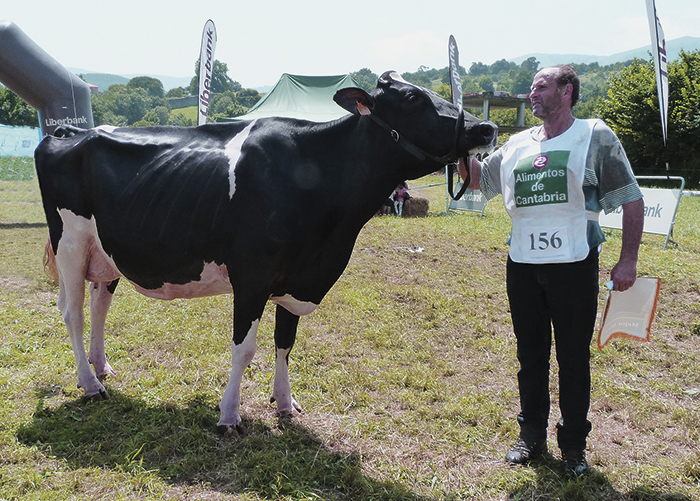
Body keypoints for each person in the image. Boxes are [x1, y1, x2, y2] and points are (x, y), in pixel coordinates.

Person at [462, 65, 644, 478]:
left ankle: (574, 446)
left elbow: (631, 198)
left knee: (573, 359)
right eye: (531, 89)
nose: (533, 94)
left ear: (567, 91)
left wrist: (628, 259)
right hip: (523, 265)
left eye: (541, 87)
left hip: (574, 266)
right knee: (531, 356)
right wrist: (462, 146)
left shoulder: (595, 135)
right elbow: (477, 182)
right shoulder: (515, 144)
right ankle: (531, 437)